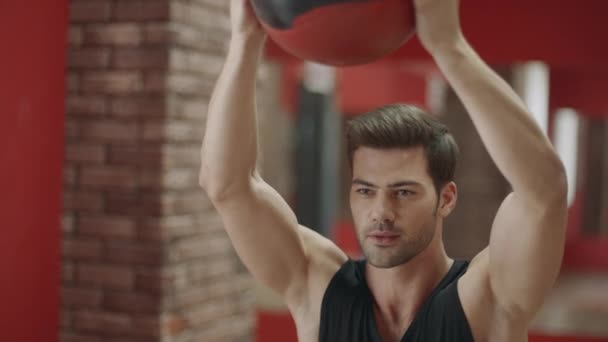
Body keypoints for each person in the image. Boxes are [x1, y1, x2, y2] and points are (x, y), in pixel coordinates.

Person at [199, 0, 568, 341]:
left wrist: (449, 48)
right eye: (365, 190)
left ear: (446, 198)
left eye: (404, 191)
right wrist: (245, 41)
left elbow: (543, 192)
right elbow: (228, 186)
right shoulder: (318, 286)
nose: (381, 212)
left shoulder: (486, 299)